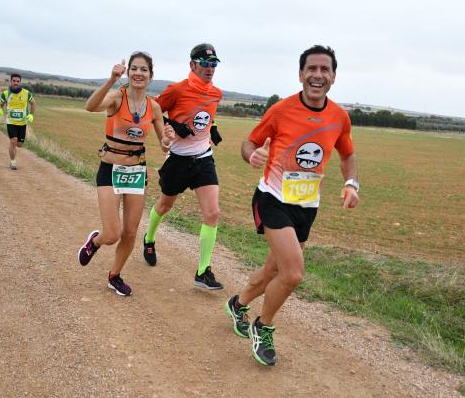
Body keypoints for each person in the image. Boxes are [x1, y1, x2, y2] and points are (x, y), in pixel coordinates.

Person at [224, 45, 360, 366]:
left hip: (306, 206)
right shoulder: (281, 110)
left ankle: (238, 304)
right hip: (273, 199)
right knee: (294, 273)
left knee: (274, 269)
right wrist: (251, 154)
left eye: (324, 70)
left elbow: (348, 154)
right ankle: (263, 326)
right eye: (311, 69)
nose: (317, 75)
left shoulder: (339, 117)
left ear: (333, 77)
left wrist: (351, 184)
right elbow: (250, 141)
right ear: (301, 75)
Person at [77, 52, 175, 296]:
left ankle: (115, 276)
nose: (138, 73)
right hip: (110, 169)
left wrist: (168, 140)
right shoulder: (116, 97)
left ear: (151, 76)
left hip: (136, 171)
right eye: (134, 69)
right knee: (112, 234)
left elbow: (164, 143)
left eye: (144, 70)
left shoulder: (153, 107)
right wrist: (111, 79)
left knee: (130, 231)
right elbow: (90, 107)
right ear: (128, 72)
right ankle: (95, 241)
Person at [141, 43, 224, 290]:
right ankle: (149, 237)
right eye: (205, 64)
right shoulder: (177, 90)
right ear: (192, 65)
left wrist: (213, 128)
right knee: (165, 205)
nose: (210, 69)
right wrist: (174, 126)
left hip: (203, 159)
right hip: (177, 159)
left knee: (213, 213)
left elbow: (206, 115)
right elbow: (152, 110)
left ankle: (202, 271)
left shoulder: (216, 93)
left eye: (214, 64)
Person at [0, 74, 36, 170]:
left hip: (22, 122)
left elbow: (33, 103)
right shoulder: (5, 93)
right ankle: (13, 162)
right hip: (11, 121)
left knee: (19, 144)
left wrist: (31, 114)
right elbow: (1, 103)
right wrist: (1, 109)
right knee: (13, 141)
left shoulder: (27, 93)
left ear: (20, 82)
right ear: (11, 81)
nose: (16, 83)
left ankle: (14, 144)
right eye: (14, 81)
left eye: (18, 81)